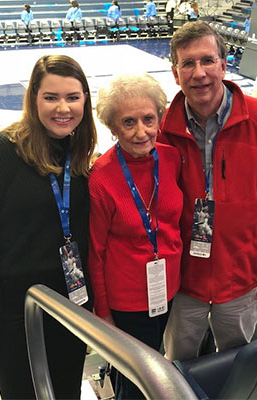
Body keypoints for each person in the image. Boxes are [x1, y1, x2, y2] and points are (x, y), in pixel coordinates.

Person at [0, 55, 97, 399]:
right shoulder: (3, 151)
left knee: (65, 392)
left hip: (68, 307)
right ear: (33, 99)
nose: (63, 108)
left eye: (73, 97)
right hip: (15, 314)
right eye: (51, 97)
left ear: (85, 100)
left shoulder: (77, 150)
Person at [158, 21, 257, 362]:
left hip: (243, 282)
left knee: (238, 367)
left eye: (208, 61)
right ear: (175, 72)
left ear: (225, 66)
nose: (199, 73)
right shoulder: (160, 129)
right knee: (179, 366)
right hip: (182, 285)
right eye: (188, 63)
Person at [88, 73, 183, 399]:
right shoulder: (102, 177)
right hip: (127, 300)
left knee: (155, 362)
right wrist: (102, 312)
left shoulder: (171, 158)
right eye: (128, 122)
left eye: (148, 119)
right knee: (138, 377)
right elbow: (96, 251)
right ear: (112, 127)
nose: (141, 131)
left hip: (168, 288)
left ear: (159, 118)